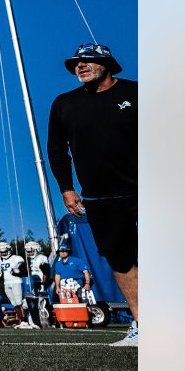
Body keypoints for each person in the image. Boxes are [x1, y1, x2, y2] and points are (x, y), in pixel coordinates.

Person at [46, 42, 137, 346]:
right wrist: (66, 188)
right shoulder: (64, 104)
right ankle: (142, 323)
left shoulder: (135, 93)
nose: (79, 66)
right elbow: (57, 151)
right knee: (121, 259)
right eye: (75, 64)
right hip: (99, 196)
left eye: (87, 61)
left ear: (107, 63)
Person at [0, 242, 29, 328]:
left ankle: (25, 321)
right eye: (1, 252)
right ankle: (22, 320)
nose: (4, 253)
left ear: (9, 250)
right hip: (6, 283)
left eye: (5, 251)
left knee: (18, 302)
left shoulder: (16, 258)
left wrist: (17, 271)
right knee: (14, 303)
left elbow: (23, 270)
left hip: (16, 282)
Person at [24, 241, 49, 329]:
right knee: (32, 302)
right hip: (33, 282)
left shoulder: (42, 257)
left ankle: (43, 322)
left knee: (40, 302)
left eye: (31, 251)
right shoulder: (32, 259)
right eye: (28, 251)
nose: (30, 253)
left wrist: (44, 279)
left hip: (40, 282)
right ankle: (35, 321)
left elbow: (45, 269)